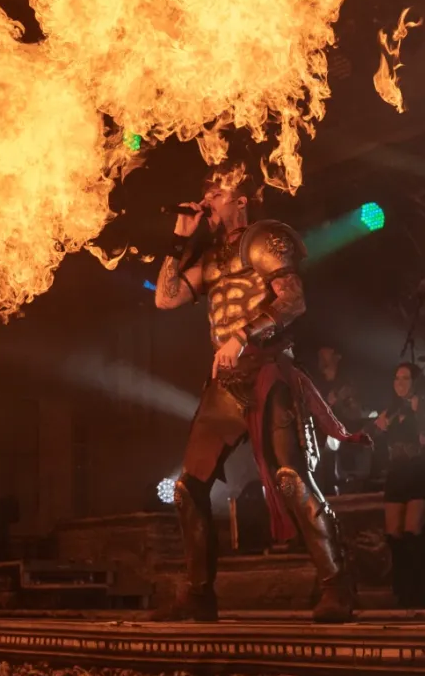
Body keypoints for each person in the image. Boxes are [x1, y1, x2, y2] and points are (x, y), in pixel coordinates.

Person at [153, 165, 364, 622]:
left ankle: (337, 586)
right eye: (207, 191)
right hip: (226, 386)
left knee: (292, 479)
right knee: (188, 489)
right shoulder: (210, 257)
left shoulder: (267, 238)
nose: (208, 198)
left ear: (241, 200)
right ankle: (199, 595)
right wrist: (179, 238)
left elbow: (293, 301)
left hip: (267, 370)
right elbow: (166, 298)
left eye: (218, 191)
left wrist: (241, 336)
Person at [375, 362, 425, 607]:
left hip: (419, 473)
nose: (399, 383)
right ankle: (403, 589)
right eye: (396, 378)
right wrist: (380, 426)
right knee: (394, 533)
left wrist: (417, 411)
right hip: (397, 474)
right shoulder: (391, 410)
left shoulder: (424, 407)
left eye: (405, 378)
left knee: (413, 530)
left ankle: (419, 591)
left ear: (415, 382)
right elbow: (377, 441)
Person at [313, 345, 366, 494]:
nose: (322, 355)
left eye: (326, 351)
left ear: (337, 356)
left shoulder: (348, 385)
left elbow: (355, 414)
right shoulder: (316, 384)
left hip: (344, 440)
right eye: (320, 352)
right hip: (322, 440)